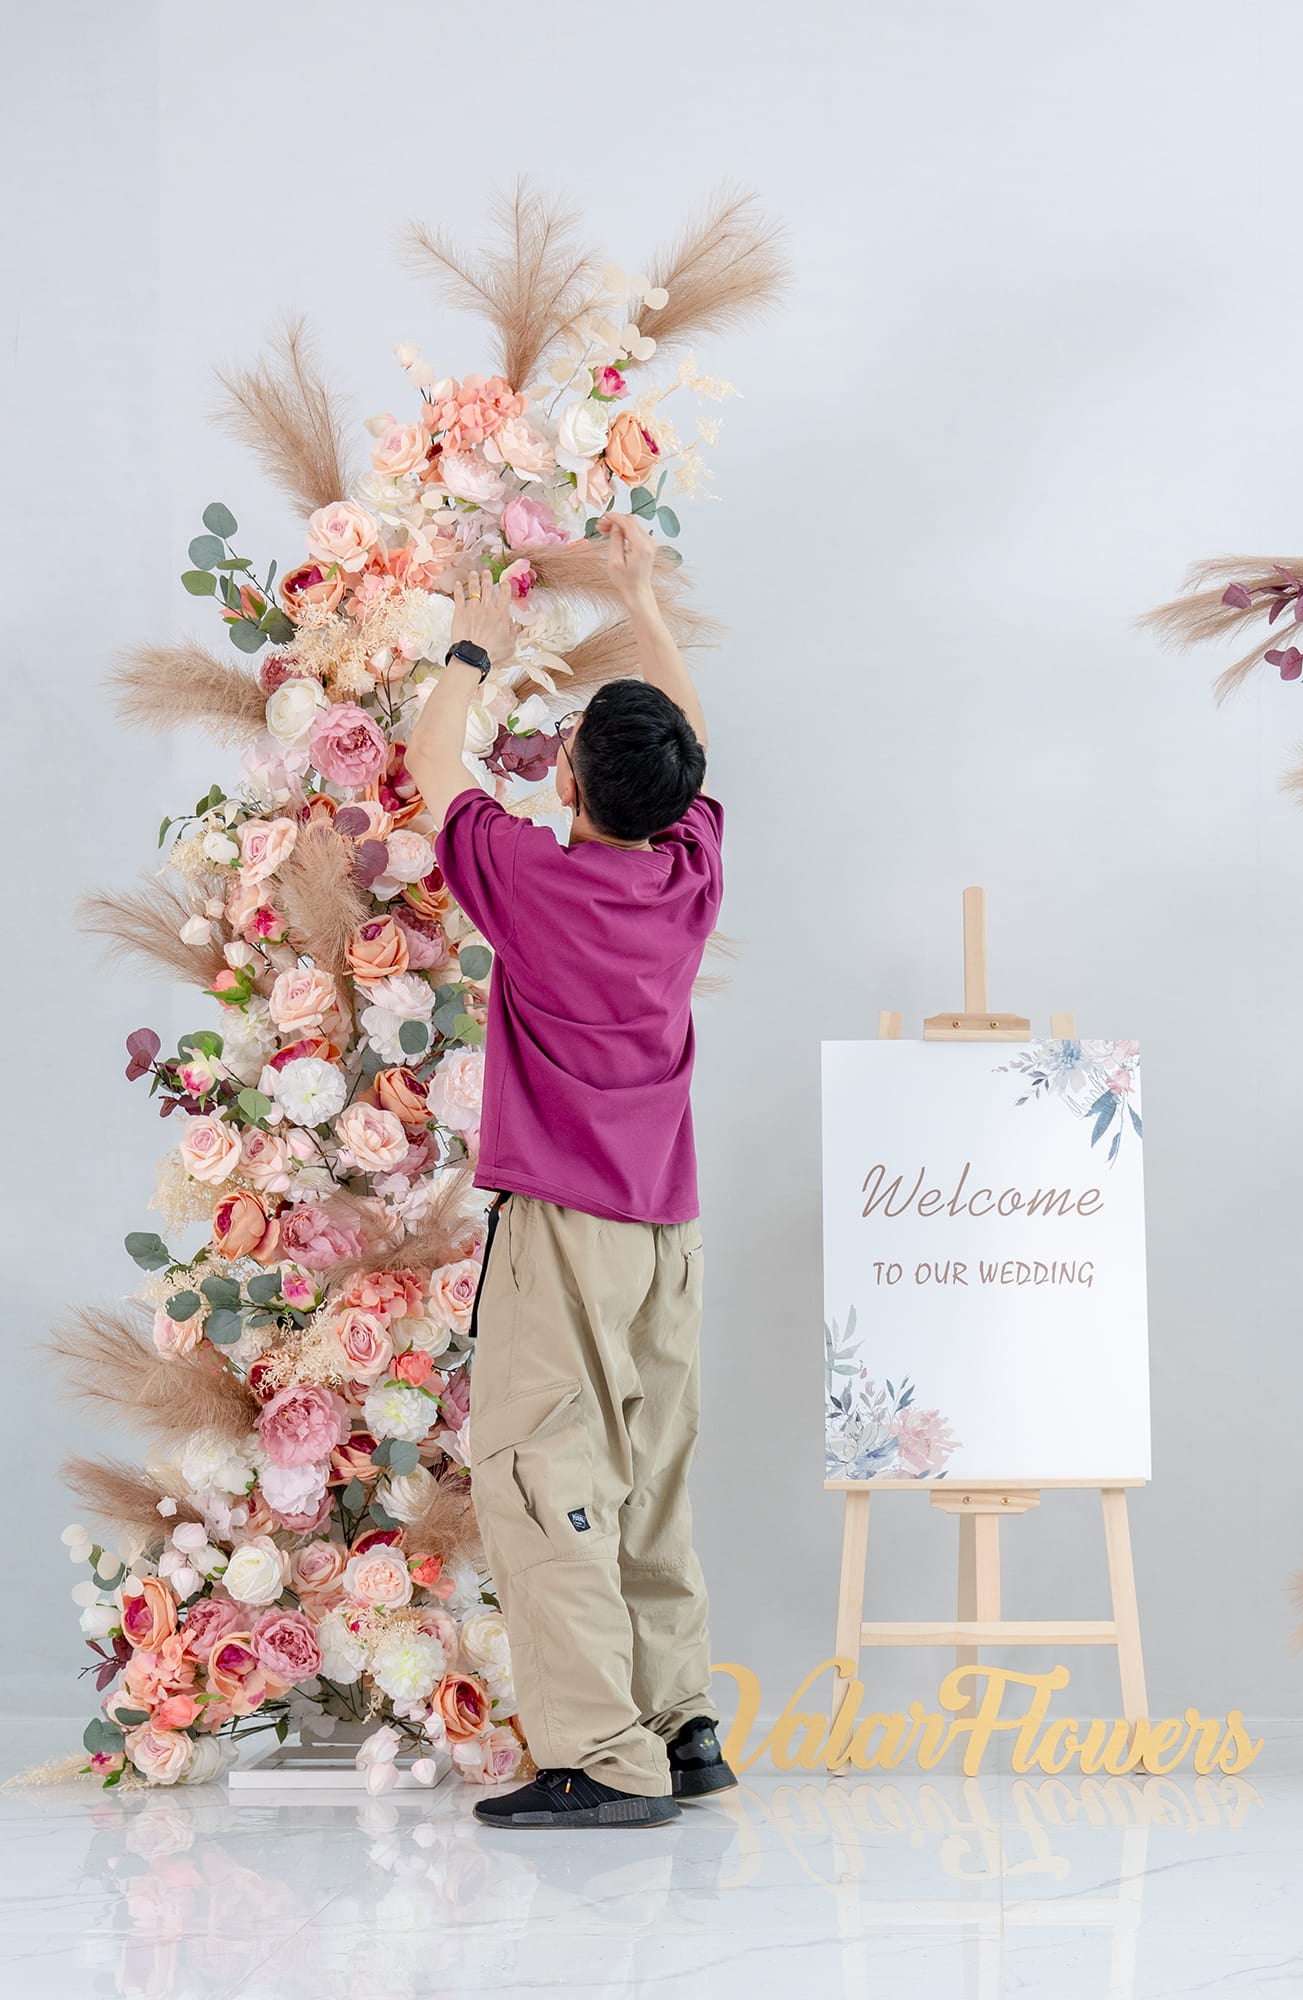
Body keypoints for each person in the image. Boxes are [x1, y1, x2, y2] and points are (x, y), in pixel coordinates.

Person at [404, 514, 734, 1829]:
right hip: (669, 1236)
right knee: (648, 1468)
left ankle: (602, 1757)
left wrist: (476, 635)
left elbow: (433, 760)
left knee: (547, 1474)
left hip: (564, 1234)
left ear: (577, 791)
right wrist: (644, 595)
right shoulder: (686, 876)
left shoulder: (534, 883)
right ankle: (681, 1724)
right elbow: (695, 736)